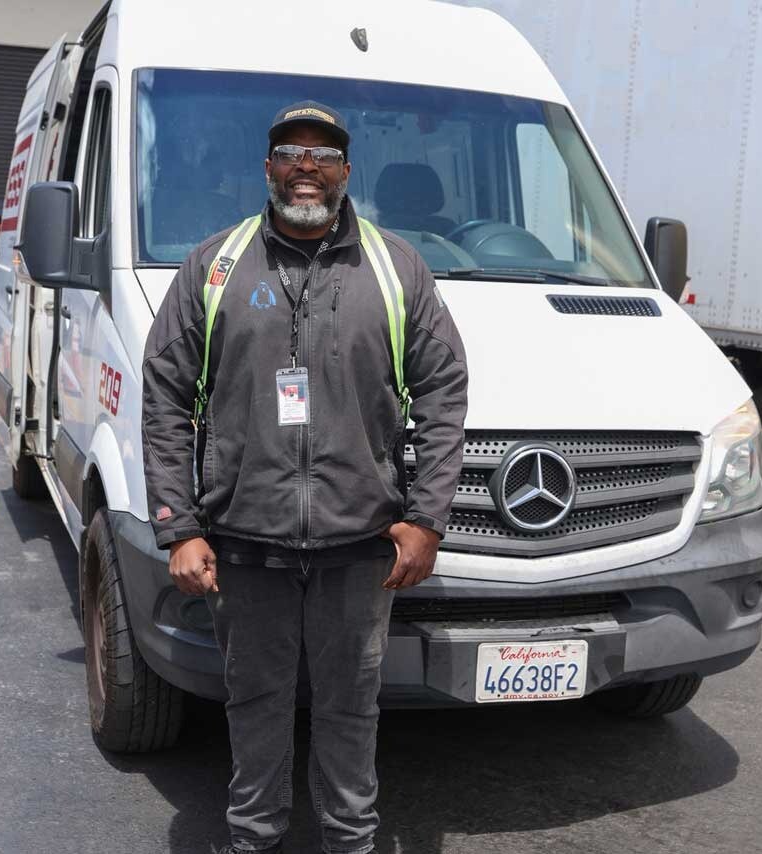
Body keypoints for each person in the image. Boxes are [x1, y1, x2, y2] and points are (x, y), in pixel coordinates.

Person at [141, 101, 468, 854]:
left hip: (358, 545)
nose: (307, 167)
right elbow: (164, 394)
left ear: (347, 172)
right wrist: (178, 526)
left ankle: (349, 843)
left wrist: (427, 518)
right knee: (253, 705)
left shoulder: (395, 268)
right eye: (291, 151)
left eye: (324, 156)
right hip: (244, 541)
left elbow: (444, 391)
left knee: (352, 709)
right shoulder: (216, 266)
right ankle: (252, 840)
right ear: (268, 168)